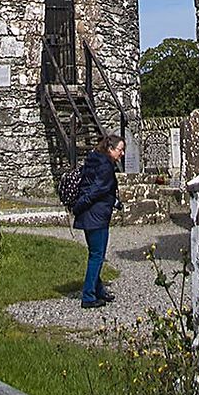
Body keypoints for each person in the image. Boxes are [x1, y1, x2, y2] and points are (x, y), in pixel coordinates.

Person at [71, 131, 124, 309]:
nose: (121, 154)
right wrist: (79, 206)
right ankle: (88, 296)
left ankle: (98, 290)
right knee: (97, 256)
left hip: (91, 214)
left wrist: (113, 201)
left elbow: (98, 188)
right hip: (96, 216)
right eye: (120, 150)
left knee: (96, 253)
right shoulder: (105, 166)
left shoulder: (93, 159)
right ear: (110, 149)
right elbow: (97, 190)